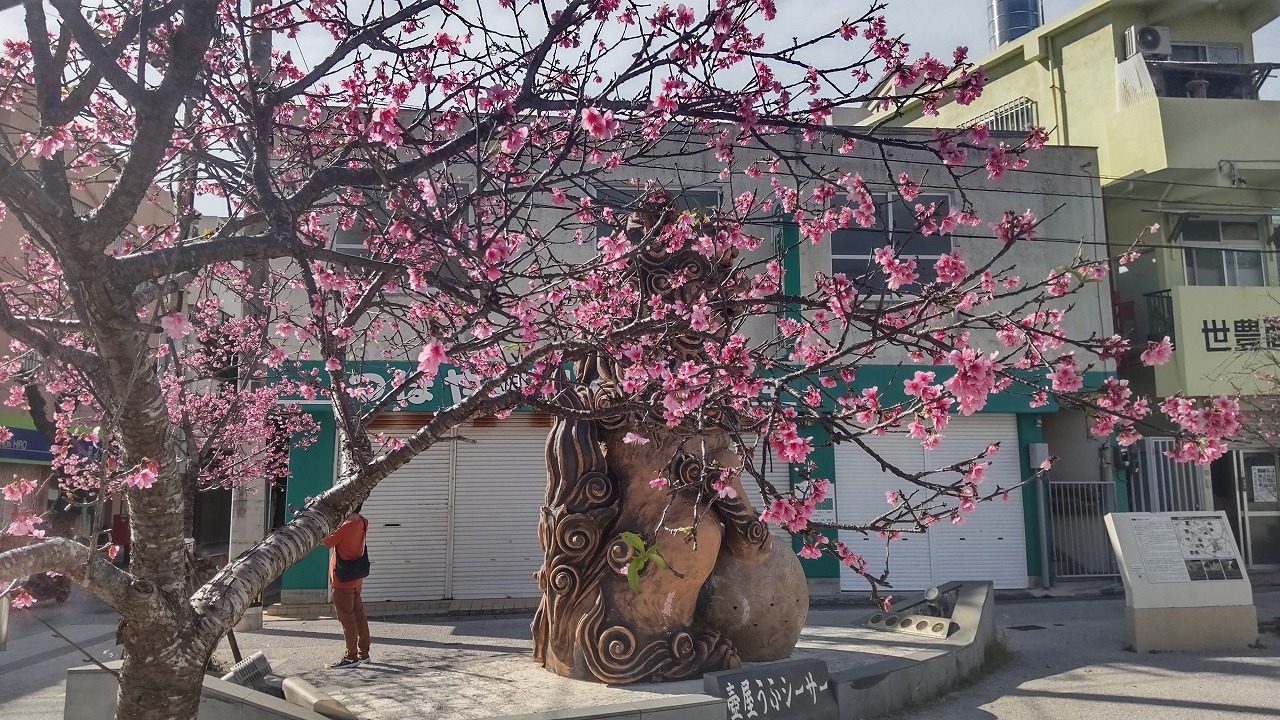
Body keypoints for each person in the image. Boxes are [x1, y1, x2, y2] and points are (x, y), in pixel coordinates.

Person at [323, 502, 370, 668]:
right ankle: (364, 652)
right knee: (359, 615)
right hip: (356, 578)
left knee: (347, 618)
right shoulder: (363, 521)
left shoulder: (344, 527)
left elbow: (325, 541)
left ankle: (351, 656)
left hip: (342, 580)